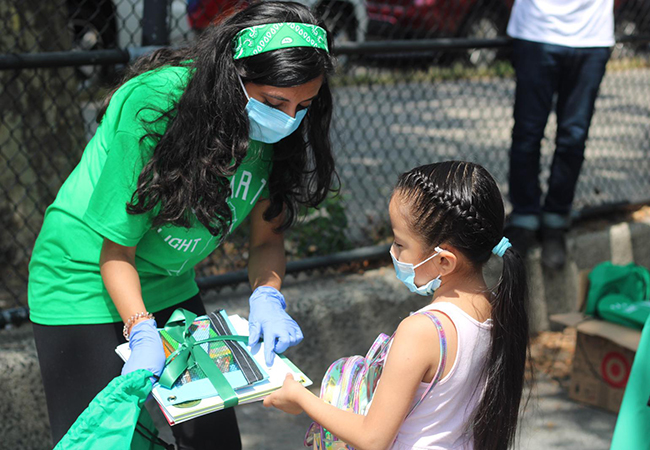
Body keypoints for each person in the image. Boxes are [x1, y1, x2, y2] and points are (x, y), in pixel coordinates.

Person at [27, 2, 336, 448]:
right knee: (101, 439)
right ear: (233, 76)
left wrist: (268, 294)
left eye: (303, 105)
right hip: (82, 279)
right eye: (274, 102)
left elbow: (268, 238)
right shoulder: (155, 105)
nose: (289, 120)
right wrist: (142, 328)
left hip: (168, 284)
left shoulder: (275, 134)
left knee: (213, 440)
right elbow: (116, 251)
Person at [265, 161, 530, 450]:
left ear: (444, 261)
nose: (392, 252)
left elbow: (373, 437)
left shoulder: (423, 331)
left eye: (400, 244)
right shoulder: (496, 311)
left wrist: (301, 397)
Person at [504, 0, 614, 268]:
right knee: (527, 134)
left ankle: (555, 220)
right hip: (535, 31)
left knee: (573, 137)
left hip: (592, 36)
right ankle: (524, 219)